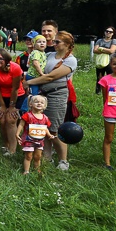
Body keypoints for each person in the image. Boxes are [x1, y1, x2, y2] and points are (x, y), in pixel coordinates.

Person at [25, 31, 77, 171]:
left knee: (55, 129)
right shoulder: (49, 55)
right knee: (43, 127)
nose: (53, 44)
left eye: (57, 42)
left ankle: (63, 160)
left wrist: (29, 83)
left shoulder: (70, 60)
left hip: (57, 95)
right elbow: (35, 67)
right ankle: (47, 157)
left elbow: (50, 77)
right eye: (54, 41)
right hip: (43, 95)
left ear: (66, 44)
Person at [16, 95, 54, 175]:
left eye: (42, 102)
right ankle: (26, 170)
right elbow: (21, 125)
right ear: (30, 104)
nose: (39, 103)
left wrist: (49, 135)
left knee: (38, 156)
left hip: (39, 140)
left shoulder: (45, 118)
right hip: (28, 139)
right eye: (36, 102)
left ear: (45, 106)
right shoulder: (27, 115)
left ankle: (37, 169)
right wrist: (17, 133)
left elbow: (45, 128)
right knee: (28, 156)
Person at [93, 27, 116, 93]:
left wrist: (101, 49)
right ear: (104, 32)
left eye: (110, 32)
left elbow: (111, 51)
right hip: (100, 61)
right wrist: (107, 50)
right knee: (99, 77)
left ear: (113, 34)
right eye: (107, 31)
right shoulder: (99, 40)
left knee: (110, 77)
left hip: (110, 62)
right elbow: (94, 50)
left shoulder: (114, 41)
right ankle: (98, 91)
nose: (108, 33)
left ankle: (110, 91)